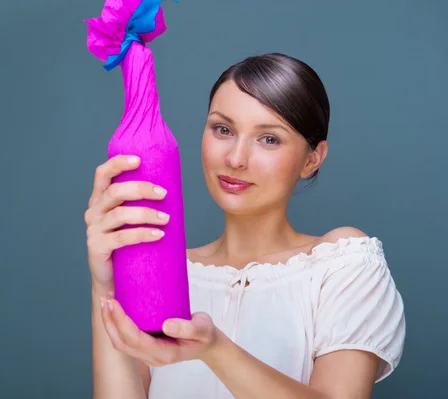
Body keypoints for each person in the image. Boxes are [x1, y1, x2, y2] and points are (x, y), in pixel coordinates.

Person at [84, 52, 406, 399]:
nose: (235, 158)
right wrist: (106, 288)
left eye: (269, 139)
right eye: (223, 129)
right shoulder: (171, 274)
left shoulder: (342, 265)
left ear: (312, 159)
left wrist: (214, 349)